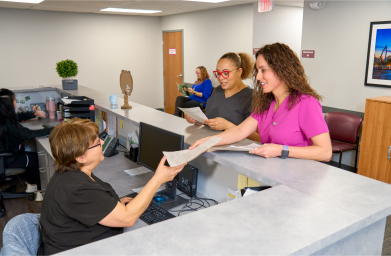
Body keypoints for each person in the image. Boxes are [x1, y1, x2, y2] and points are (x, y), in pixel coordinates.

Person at [39, 119, 186, 255]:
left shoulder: (70, 173)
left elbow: (88, 204)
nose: (103, 143)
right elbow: (127, 219)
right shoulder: (76, 187)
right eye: (97, 143)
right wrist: (158, 180)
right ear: (80, 157)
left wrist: (110, 206)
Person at [190, 43, 332, 161]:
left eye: (263, 70)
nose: (258, 76)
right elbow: (240, 131)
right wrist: (208, 141)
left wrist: (281, 150)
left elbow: (325, 152)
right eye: (257, 71)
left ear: (282, 70)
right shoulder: (266, 103)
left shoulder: (306, 102)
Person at [185, 52, 260, 142]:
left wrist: (228, 126)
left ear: (239, 71)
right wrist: (196, 119)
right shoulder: (218, 91)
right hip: (209, 143)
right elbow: (209, 120)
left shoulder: (252, 97)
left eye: (225, 73)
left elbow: (258, 138)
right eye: (218, 73)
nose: (220, 78)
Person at [0, 88, 52, 201]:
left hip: (5, 157)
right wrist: (52, 129)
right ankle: (40, 192)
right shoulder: (8, 122)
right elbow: (29, 134)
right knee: (36, 159)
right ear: (8, 103)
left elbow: (19, 116)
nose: (16, 103)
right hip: (7, 159)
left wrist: (33, 113)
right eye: (14, 100)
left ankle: (31, 186)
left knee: (29, 157)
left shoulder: (3, 117)